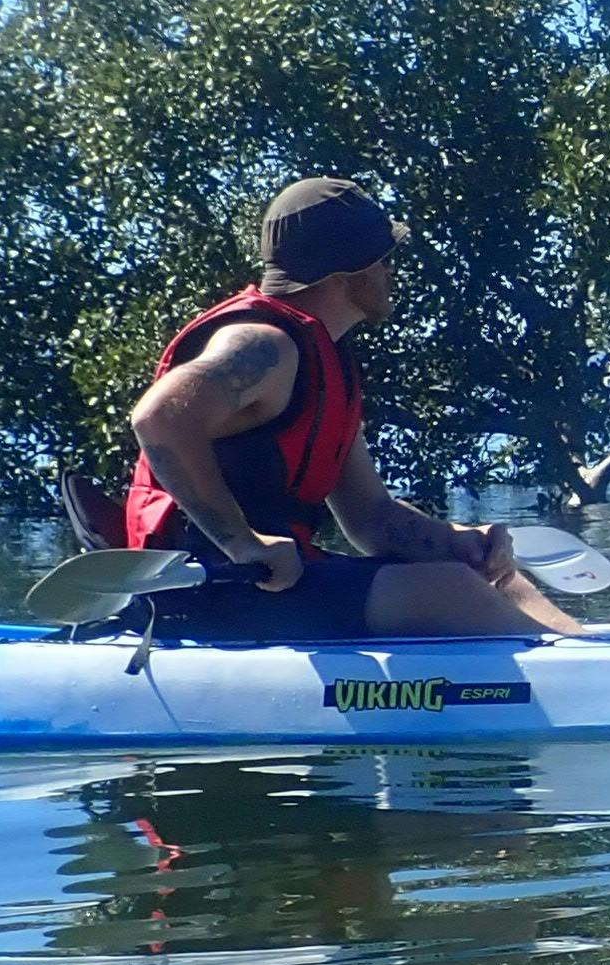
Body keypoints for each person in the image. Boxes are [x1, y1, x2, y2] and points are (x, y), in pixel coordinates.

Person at [119, 178, 583, 642]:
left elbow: (370, 516)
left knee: (481, 572)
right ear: (348, 273)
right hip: (204, 591)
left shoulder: (325, 359)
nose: (390, 274)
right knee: (448, 590)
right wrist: (241, 542)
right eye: (385, 261)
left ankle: (580, 655)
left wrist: (455, 540)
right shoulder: (264, 344)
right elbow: (159, 418)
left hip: (278, 587)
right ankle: (576, 686)